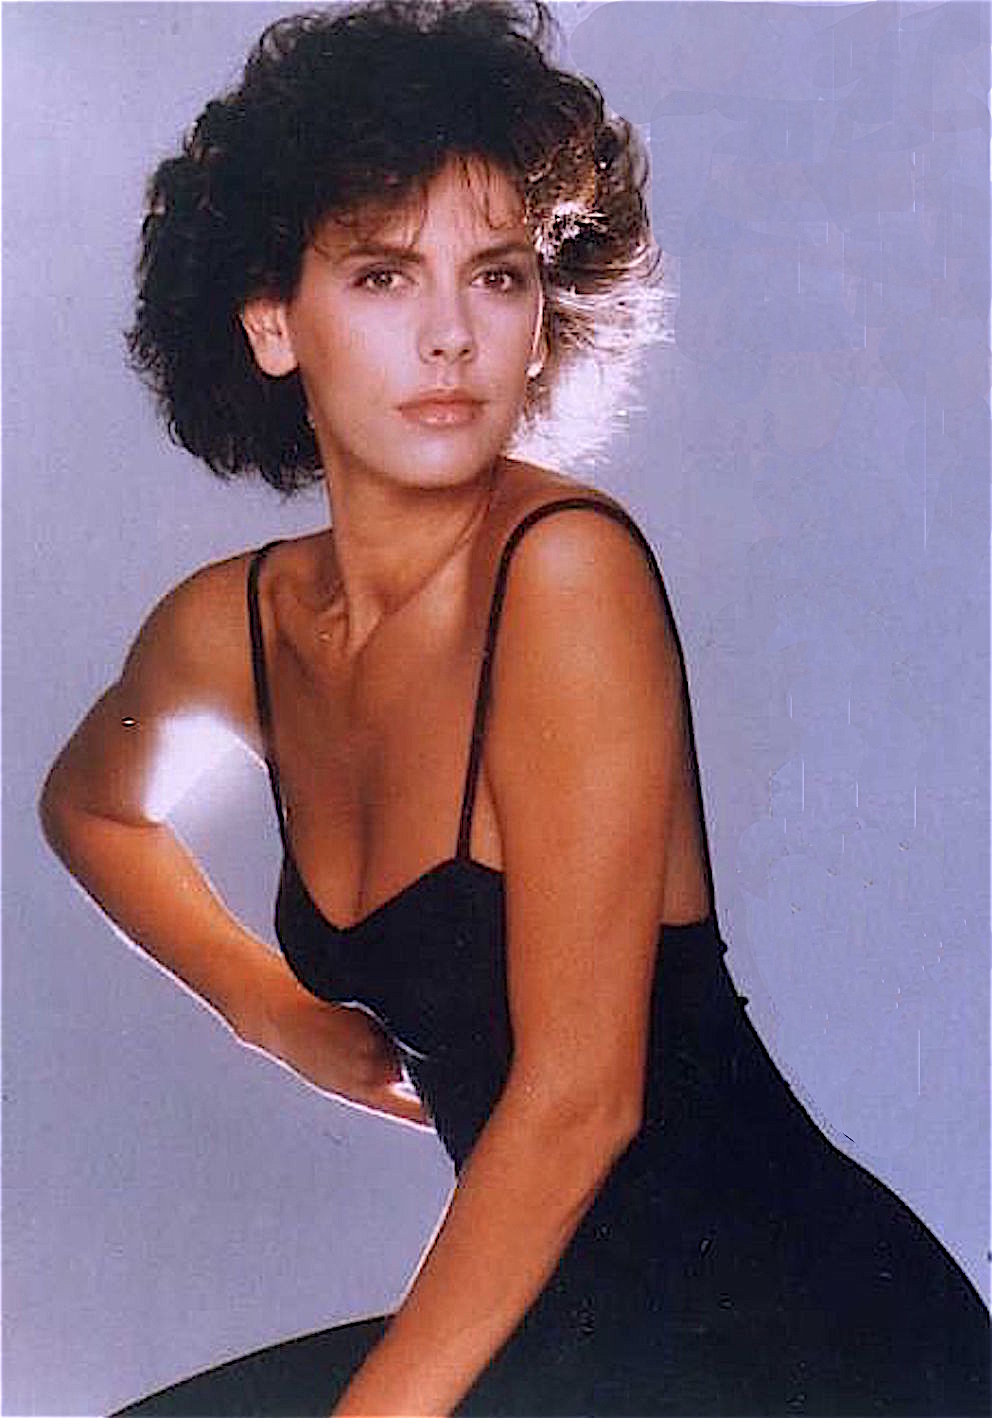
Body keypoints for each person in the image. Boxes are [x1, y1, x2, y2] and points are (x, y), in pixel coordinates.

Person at [39, 3, 990, 1414]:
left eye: (495, 277)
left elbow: (579, 1104)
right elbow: (92, 809)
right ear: (271, 321)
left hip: (811, 1341)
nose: (450, 337)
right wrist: (269, 1007)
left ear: (542, 318)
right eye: (382, 275)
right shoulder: (229, 629)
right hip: (571, 1331)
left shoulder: (565, 574)